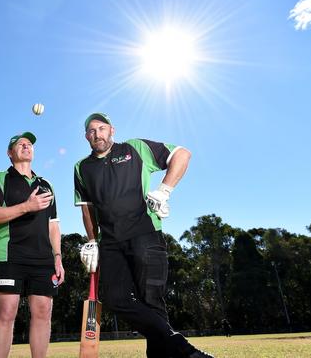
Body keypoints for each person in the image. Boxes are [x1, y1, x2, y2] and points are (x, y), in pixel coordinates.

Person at [75, 113, 213, 358]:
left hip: (145, 234)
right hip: (110, 243)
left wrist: (164, 191)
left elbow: (182, 154)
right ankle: (185, 350)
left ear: (112, 130)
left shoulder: (135, 148)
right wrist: (92, 240)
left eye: (102, 128)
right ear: (86, 136)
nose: (97, 134)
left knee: (152, 302)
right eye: (92, 130)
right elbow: (87, 208)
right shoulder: (82, 167)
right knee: (115, 299)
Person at [0, 132, 65, 358]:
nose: (26, 146)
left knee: (43, 312)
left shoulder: (46, 185)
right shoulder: (0, 178)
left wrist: (57, 257)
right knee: (6, 313)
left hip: (43, 259)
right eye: (20, 144)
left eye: (29, 144)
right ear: (10, 153)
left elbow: (53, 226)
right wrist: (27, 206)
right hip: (11, 255)